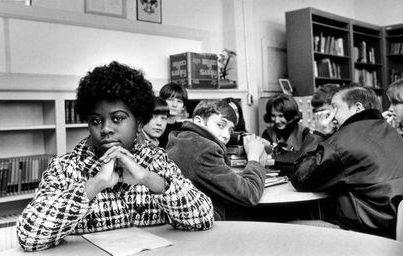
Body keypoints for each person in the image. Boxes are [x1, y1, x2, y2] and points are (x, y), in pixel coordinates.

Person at [16, 61, 214, 252]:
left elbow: (203, 218)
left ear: (138, 122)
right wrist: (96, 184)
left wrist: (148, 178)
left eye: (117, 118)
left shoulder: (157, 161)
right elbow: (29, 237)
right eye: (95, 120)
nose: (105, 129)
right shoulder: (65, 167)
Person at [291, 84, 403, 238]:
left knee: (288, 228)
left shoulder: (344, 140)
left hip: (366, 232)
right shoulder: (390, 130)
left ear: (357, 108)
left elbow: (300, 177)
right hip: (390, 224)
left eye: (335, 108)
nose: (330, 115)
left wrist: (318, 133)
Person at [166, 99, 268, 221]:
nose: (226, 135)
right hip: (208, 226)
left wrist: (242, 137)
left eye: (230, 130)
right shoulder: (205, 151)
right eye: (220, 125)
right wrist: (254, 158)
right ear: (198, 121)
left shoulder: (182, 139)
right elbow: (250, 194)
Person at [158, 82, 189, 149]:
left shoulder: (183, 130)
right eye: (170, 100)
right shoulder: (155, 127)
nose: (174, 105)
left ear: (183, 107)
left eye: (179, 101)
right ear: (162, 101)